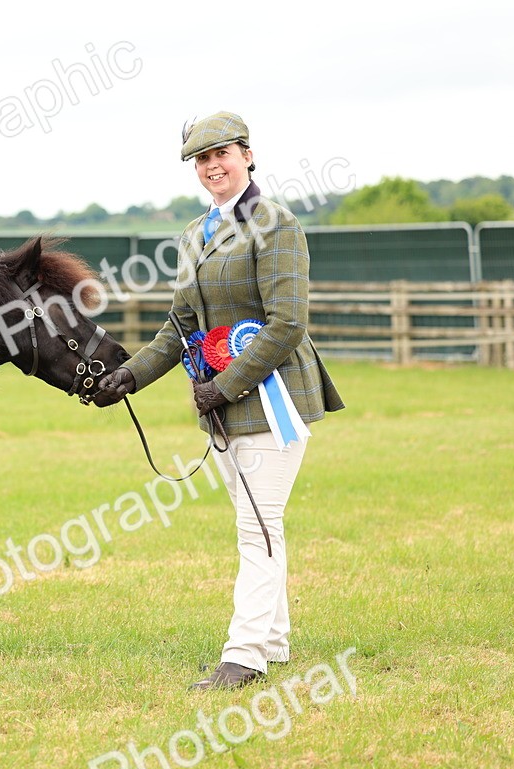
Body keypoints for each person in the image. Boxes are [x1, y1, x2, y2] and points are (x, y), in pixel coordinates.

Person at [95, 111, 344, 689]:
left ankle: (245, 655)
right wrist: (130, 375)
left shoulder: (276, 225)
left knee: (258, 527)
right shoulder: (194, 234)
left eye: (222, 154)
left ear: (247, 156)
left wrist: (225, 386)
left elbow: (287, 324)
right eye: (202, 159)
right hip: (222, 404)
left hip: (272, 398)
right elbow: (179, 328)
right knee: (258, 523)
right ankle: (274, 640)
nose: (212, 166)